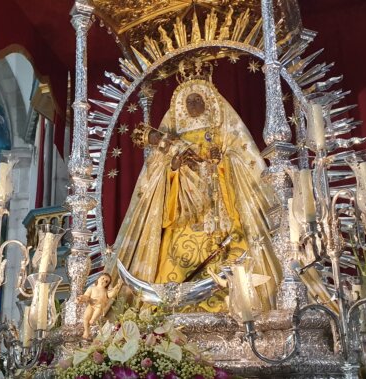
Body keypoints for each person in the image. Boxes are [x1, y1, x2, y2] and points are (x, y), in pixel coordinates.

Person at [113, 77, 282, 312]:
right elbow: (157, 176)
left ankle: (238, 308)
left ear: (210, 101)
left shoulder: (223, 131)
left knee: (237, 258)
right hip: (185, 213)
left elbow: (242, 158)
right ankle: (172, 313)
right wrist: (175, 166)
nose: (193, 104)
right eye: (189, 100)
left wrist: (220, 161)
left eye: (197, 99)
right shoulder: (173, 136)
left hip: (222, 212)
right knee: (174, 263)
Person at [77, 273, 123, 339]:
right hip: (91, 305)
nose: (104, 281)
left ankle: (93, 319)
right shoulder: (91, 288)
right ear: (98, 279)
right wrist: (81, 298)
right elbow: (86, 296)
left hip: (99, 307)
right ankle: (86, 331)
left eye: (106, 281)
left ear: (107, 284)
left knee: (99, 307)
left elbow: (111, 294)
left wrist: (118, 285)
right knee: (86, 317)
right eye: (103, 278)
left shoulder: (106, 291)